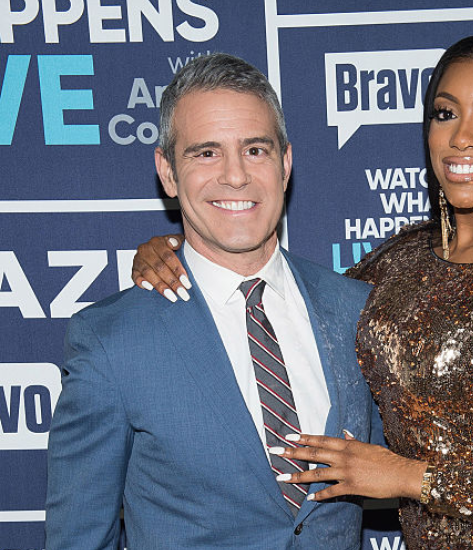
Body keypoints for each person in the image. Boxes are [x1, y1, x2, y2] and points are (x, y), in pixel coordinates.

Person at [131, 33, 473, 549]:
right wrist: (173, 251)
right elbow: (297, 297)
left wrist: (410, 477)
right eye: (444, 113)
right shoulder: (401, 261)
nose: (461, 138)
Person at [45, 53, 383, 550]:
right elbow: (79, 536)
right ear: (166, 171)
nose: (235, 176)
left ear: (285, 163)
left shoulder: (356, 309)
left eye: (255, 150)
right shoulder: (111, 341)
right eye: (206, 153)